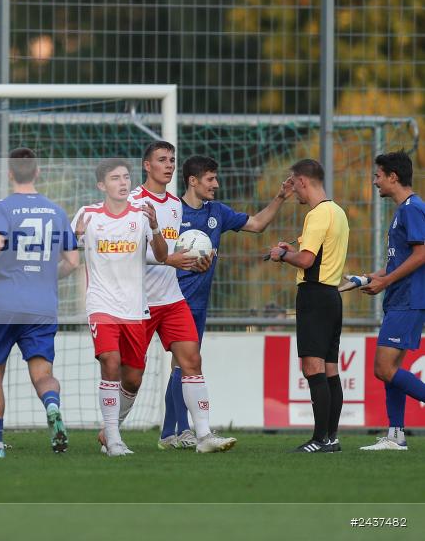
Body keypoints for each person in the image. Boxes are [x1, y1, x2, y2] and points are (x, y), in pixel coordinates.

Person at [160, 156, 293, 445]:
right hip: (170, 300)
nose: (216, 184)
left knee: (181, 365)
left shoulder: (216, 212)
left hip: (198, 302)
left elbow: (257, 224)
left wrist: (280, 197)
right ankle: (182, 430)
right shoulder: (171, 211)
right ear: (193, 181)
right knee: (183, 364)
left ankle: (170, 433)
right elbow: (157, 253)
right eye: (210, 179)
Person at [0, 148, 80, 458]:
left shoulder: (2, 207)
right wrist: (45, 276)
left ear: (9, 174)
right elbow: (72, 260)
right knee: (42, 373)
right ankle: (52, 407)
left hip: (2, 304)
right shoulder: (56, 211)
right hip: (41, 305)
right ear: (38, 173)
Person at [125, 142, 236, 453]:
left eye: (172, 159)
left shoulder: (174, 205)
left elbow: (174, 251)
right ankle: (111, 430)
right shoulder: (132, 202)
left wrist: (196, 259)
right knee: (131, 376)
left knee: (191, 361)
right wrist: (166, 260)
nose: (169, 164)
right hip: (140, 301)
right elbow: (129, 252)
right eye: (162, 160)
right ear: (147, 166)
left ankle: (203, 436)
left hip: (172, 299)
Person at [71, 158, 168, 456]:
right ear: (102, 185)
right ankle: (113, 438)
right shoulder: (87, 214)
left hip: (135, 309)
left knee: (134, 378)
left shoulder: (141, 216)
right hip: (101, 304)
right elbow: (65, 251)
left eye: (126, 177)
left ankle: (111, 430)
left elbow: (162, 256)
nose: (123, 183)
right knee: (110, 362)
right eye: (115, 178)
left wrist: (154, 226)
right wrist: (75, 237)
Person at [268, 158, 348, 453]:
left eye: (294, 184)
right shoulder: (337, 211)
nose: (294, 192)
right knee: (329, 369)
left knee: (312, 368)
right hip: (332, 296)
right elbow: (317, 251)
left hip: (314, 297)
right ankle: (332, 437)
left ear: (303, 181)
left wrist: (281, 254)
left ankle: (319, 439)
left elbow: (306, 260)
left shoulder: (316, 215)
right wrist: (293, 250)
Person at [358, 152, 425, 451]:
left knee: (383, 369)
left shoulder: (413, 208)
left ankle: (395, 433)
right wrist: (375, 275)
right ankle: (395, 433)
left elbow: (422, 254)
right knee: (392, 370)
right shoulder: (403, 210)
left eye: (378, 175)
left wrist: (385, 282)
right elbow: (402, 258)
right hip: (401, 297)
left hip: (408, 299)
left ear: (393, 177)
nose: (375, 182)